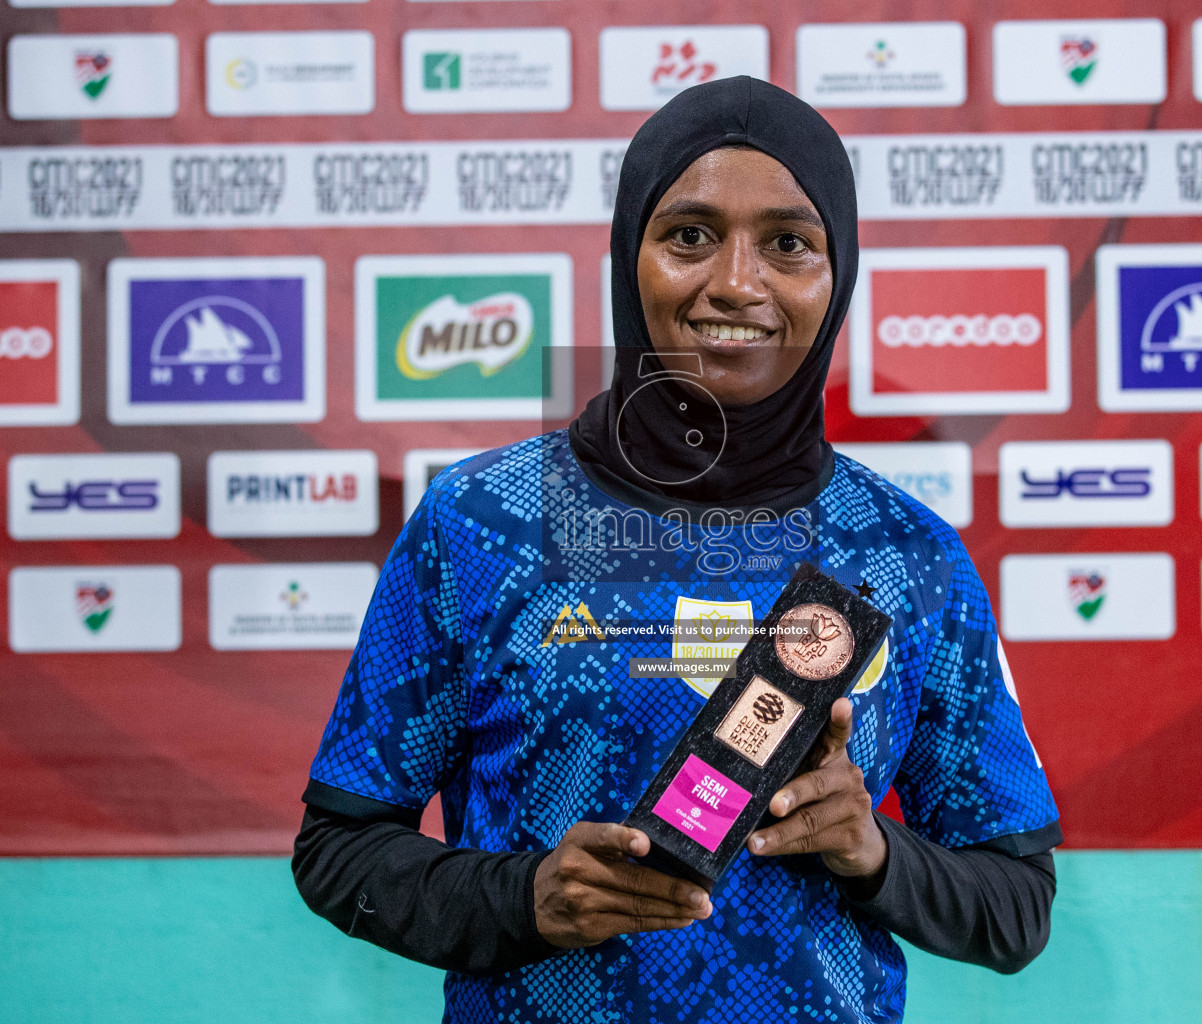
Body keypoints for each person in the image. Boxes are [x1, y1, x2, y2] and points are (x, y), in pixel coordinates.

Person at [294, 76, 1062, 1023]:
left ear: (840, 274)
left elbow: (1018, 907)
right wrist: (523, 900)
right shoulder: (480, 523)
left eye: (788, 242)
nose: (736, 283)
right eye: (690, 235)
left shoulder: (908, 555)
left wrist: (876, 853)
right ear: (629, 256)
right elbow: (339, 845)